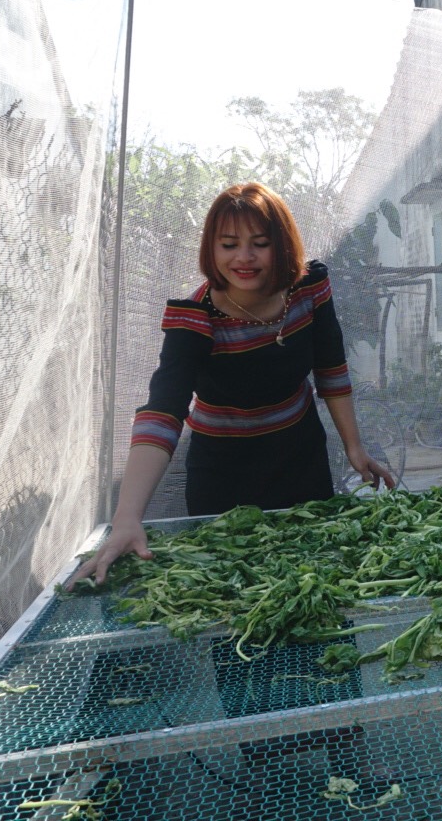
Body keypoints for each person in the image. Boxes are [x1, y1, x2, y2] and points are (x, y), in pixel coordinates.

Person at [74, 181, 396, 586]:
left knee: (317, 583)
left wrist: (354, 447)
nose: (244, 257)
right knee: (234, 591)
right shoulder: (195, 319)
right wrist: (127, 518)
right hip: (222, 473)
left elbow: (330, 367)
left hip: (301, 458)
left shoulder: (309, 289)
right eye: (228, 244)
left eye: (259, 243)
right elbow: (163, 412)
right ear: (212, 249)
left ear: (282, 244)